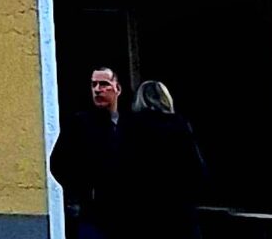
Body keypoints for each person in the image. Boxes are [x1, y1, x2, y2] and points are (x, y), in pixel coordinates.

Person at [118, 80, 207, 239]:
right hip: (179, 211)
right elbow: (198, 171)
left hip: (143, 213)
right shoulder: (180, 125)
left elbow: (121, 170)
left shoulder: (130, 127)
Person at [49, 66, 124, 239]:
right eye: (94, 84)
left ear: (117, 89)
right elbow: (58, 162)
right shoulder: (80, 123)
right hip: (92, 214)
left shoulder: (129, 125)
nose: (97, 89)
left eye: (104, 84)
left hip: (124, 213)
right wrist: (82, 190)